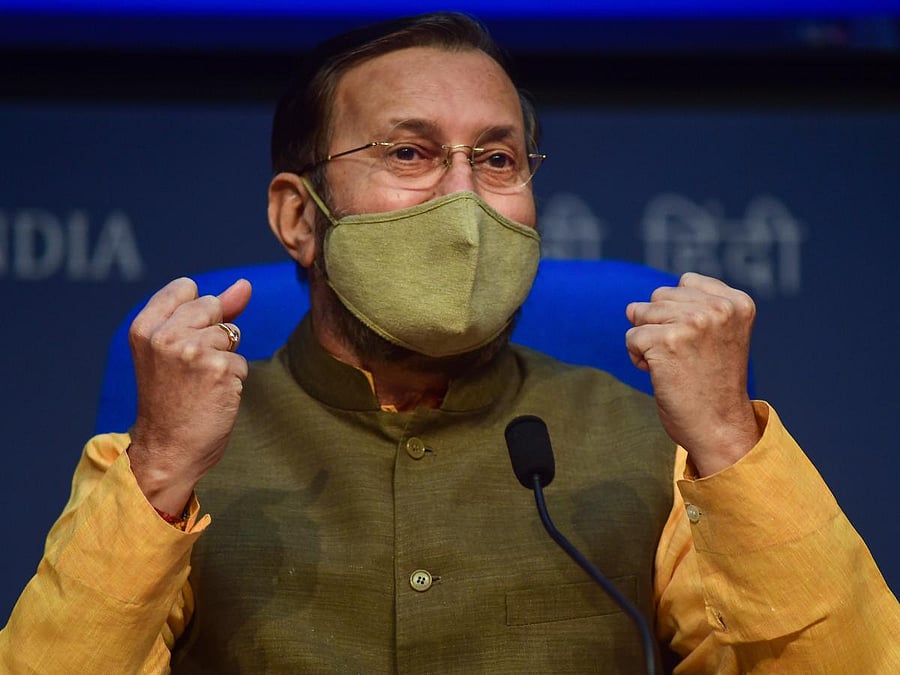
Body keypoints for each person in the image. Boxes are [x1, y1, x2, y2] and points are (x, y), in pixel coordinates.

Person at [2, 11, 898, 674]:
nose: (464, 202)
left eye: (498, 160)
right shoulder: (170, 456)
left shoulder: (655, 446)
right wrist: (159, 472)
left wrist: (731, 444)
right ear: (297, 217)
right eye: (409, 153)